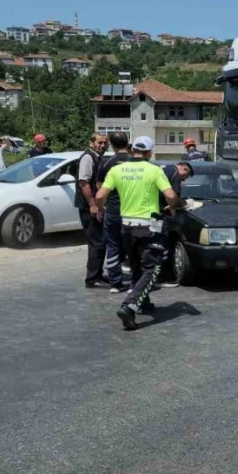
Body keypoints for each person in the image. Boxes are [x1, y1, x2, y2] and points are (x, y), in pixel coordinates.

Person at [95, 136, 183, 330]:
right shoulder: (154, 170)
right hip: (149, 227)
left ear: (132, 149)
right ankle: (129, 305)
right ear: (150, 152)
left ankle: (142, 303)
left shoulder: (116, 169)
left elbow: (100, 195)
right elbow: (170, 196)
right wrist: (177, 204)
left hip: (126, 226)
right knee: (153, 269)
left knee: (136, 266)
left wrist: (101, 209)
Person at [97, 131, 134, 293]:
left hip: (112, 211)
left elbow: (99, 187)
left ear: (111, 144)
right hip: (133, 211)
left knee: (112, 245)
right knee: (134, 246)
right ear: (127, 142)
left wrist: (101, 207)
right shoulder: (135, 162)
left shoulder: (107, 163)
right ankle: (136, 281)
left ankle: (115, 282)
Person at [75, 132, 109, 288]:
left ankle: (98, 275)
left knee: (100, 241)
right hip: (89, 208)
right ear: (91, 143)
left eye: (105, 143)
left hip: (96, 206)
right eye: (99, 142)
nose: (102, 145)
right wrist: (93, 205)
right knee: (96, 242)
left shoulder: (98, 158)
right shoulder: (88, 158)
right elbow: (84, 183)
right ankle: (92, 278)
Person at [157, 161, 194, 285]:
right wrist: (183, 204)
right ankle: (163, 276)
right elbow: (174, 198)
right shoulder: (175, 174)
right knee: (164, 243)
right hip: (160, 213)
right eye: (186, 177)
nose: (183, 180)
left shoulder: (164, 168)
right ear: (184, 169)